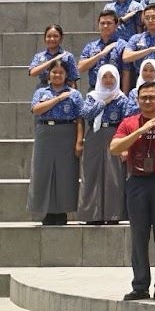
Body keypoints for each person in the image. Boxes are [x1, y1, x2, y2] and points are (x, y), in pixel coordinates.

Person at [108, 80, 155, 300]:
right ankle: (140, 285)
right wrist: (140, 131)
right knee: (138, 236)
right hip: (137, 183)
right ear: (137, 99)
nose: (148, 101)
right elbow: (114, 148)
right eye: (144, 97)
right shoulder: (129, 123)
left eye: (152, 97)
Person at [29, 63, 84, 226]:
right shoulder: (41, 92)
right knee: (44, 173)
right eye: (54, 72)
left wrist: (79, 141)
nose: (57, 75)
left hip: (67, 132)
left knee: (65, 173)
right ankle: (47, 211)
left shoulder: (74, 94)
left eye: (61, 72)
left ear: (66, 75)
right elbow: (36, 109)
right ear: (49, 74)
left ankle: (62, 212)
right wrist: (59, 98)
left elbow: (80, 118)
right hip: (45, 133)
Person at [79, 64, 133, 225]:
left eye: (112, 77)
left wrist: (125, 146)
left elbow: (127, 121)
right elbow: (86, 114)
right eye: (105, 77)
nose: (108, 80)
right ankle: (92, 215)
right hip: (94, 136)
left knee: (114, 175)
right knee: (91, 174)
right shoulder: (92, 96)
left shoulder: (122, 98)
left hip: (115, 135)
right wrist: (103, 102)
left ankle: (113, 215)